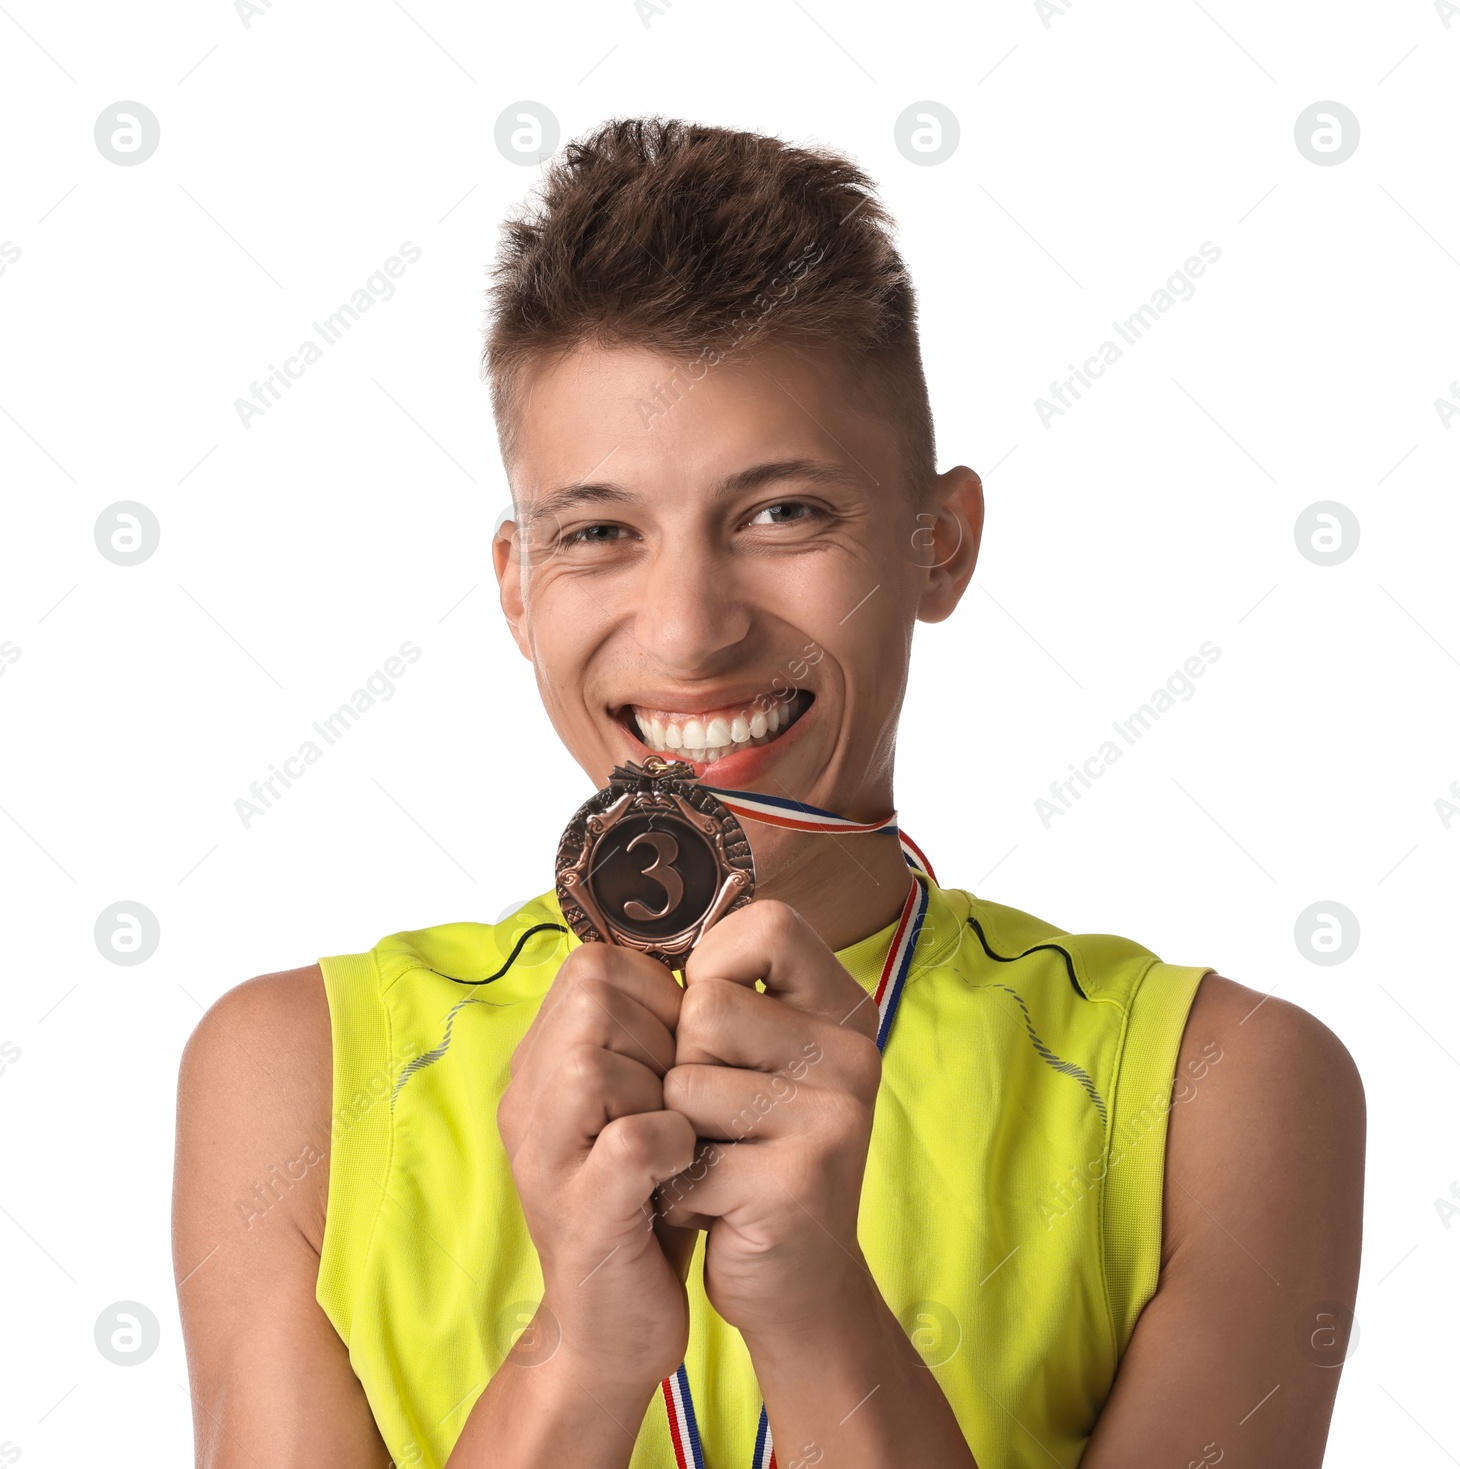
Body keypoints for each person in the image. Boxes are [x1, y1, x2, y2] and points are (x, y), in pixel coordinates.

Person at [173, 116, 1365, 1469]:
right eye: (600, 532)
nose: (687, 633)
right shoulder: (295, 1079)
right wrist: (581, 1351)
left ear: (941, 543)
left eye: (782, 513)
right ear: (517, 585)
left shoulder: (1228, 1091)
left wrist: (817, 1317)